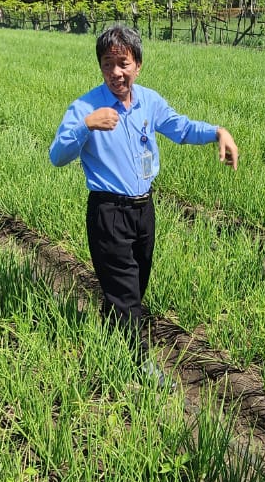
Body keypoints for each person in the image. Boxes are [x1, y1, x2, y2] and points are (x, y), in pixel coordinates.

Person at [49, 25, 239, 369]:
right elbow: (56, 157)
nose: (115, 73)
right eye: (108, 64)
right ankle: (137, 365)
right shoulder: (84, 108)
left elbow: (180, 128)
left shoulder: (149, 101)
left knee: (135, 285)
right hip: (109, 212)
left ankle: (111, 344)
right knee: (125, 294)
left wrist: (217, 132)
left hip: (143, 210)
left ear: (137, 64)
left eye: (123, 63)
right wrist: (85, 126)